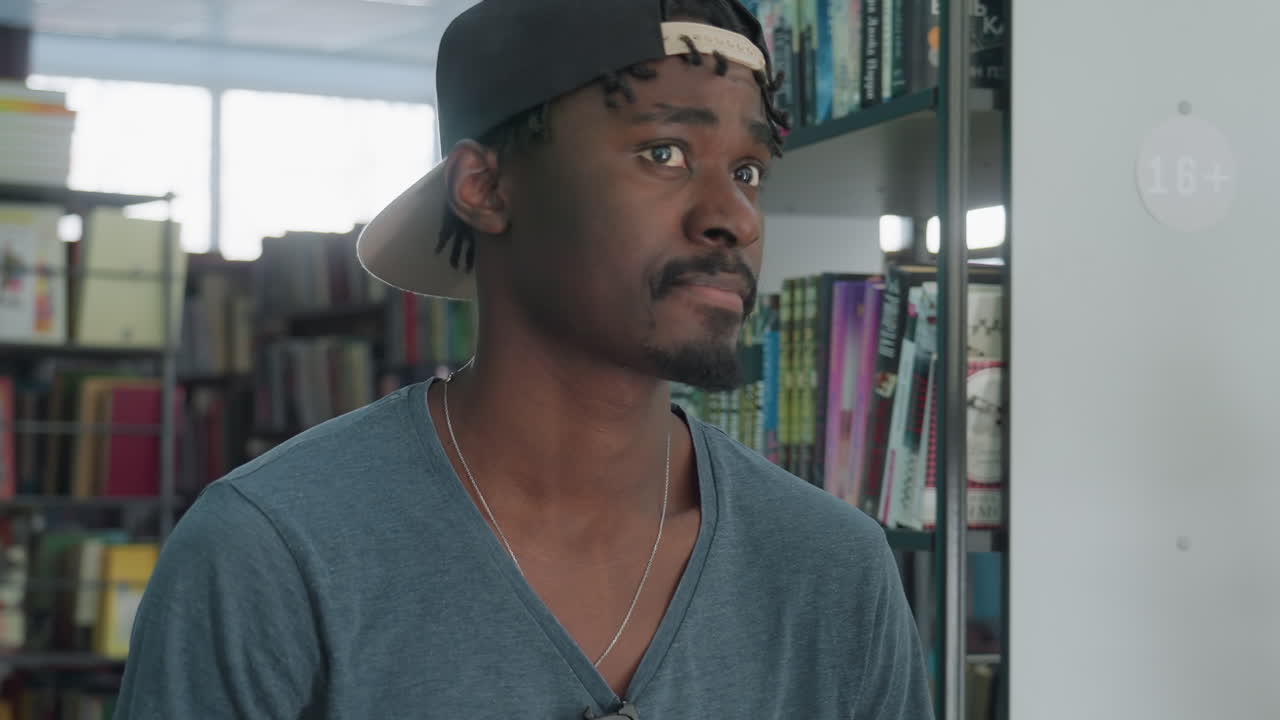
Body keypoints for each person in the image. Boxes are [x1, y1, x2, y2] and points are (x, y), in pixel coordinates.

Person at [114, 0, 935, 717]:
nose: (735, 220)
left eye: (748, 170)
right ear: (486, 188)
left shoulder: (832, 571)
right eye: (665, 154)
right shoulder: (276, 554)